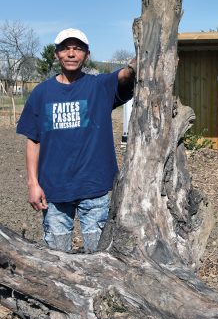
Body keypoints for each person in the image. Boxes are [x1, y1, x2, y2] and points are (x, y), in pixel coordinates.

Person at [16, 28, 136, 252]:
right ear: (56, 54)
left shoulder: (99, 86)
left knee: (100, 257)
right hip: (54, 190)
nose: (71, 53)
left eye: (78, 48)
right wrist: (33, 184)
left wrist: (138, 61)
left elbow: (124, 75)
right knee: (57, 259)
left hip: (95, 189)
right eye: (65, 48)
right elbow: (33, 141)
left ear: (87, 55)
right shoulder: (41, 93)